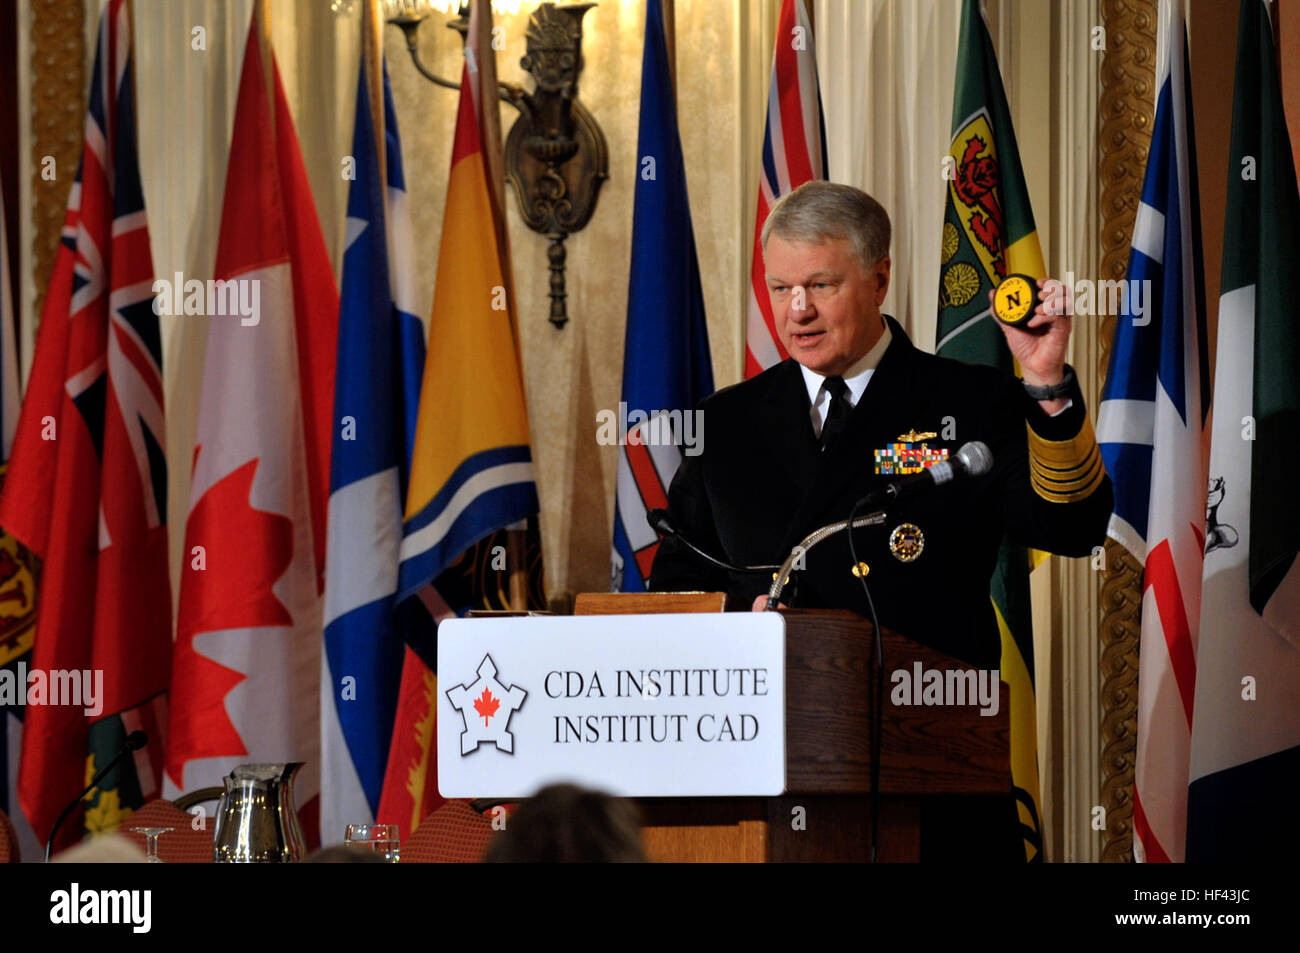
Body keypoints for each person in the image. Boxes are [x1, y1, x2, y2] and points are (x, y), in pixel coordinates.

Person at [649, 182, 1112, 673]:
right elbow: (677, 582)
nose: (797, 310)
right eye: (781, 289)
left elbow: (1073, 529)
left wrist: (1046, 382)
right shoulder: (726, 420)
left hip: (925, 714)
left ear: (879, 279)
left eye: (821, 285)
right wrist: (741, 618)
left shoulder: (971, 400)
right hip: (768, 717)